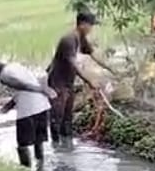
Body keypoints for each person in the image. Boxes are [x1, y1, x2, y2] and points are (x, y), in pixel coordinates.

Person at [45, 10, 114, 142]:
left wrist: (110, 68)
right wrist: (89, 81)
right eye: (91, 25)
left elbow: (93, 54)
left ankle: (67, 148)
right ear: (82, 25)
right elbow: (74, 64)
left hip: (68, 83)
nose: (92, 29)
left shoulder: (80, 38)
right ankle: (57, 151)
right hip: (57, 83)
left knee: (67, 118)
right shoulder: (68, 40)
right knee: (56, 118)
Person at [0, 58, 57, 168]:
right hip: (42, 105)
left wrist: (43, 90)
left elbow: (25, 86)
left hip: (28, 109)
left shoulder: (4, 76)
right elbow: (22, 91)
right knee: (38, 142)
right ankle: (41, 169)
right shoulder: (14, 66)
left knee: (22, 145)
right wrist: (8, 107)